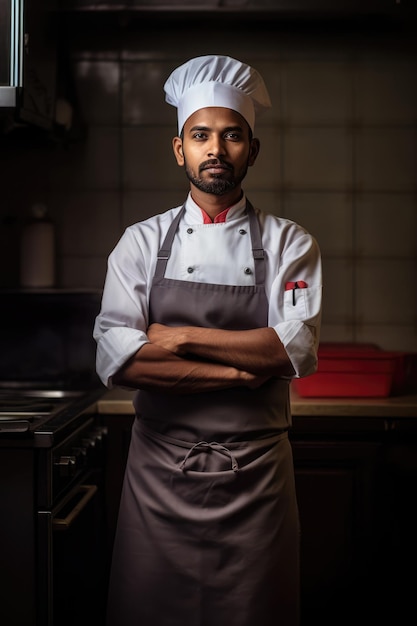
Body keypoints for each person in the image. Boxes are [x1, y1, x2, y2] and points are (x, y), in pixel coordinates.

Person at [94, 54, 322, 626]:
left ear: (253, 148)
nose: (216, 149)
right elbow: (118, 359)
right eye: (201, 136)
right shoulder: (140, 243)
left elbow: (292, 351)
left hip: (258, 482)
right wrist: (239, 371)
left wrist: (177, 336)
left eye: (232, 136)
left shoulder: (290, 244)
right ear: (181, 149)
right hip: (158, 480)